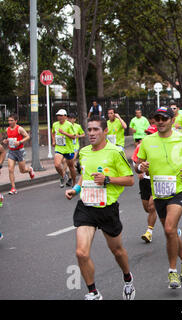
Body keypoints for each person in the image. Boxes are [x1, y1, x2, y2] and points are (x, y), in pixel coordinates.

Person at [65, 115, 135, 300]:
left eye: (96, 129)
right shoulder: (85, 151)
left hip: (107, 208)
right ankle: (93, 292)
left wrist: (108, 179)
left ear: (105, 131)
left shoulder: (115, 152)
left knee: (117, 251)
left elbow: (130, 180)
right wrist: (76, 189)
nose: (91, 133)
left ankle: (128, 278)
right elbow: (84, 176)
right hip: (86, 206)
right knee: (81, 252)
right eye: (89, 130)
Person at [135, 106, 182, 289]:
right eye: (157, 118)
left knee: (170, 228)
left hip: (179, 190)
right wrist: (141, 168)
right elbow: (137, 165)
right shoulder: (147, 141)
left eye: (164, 118)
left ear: (172, 120)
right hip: (159, 192)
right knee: (170, 232)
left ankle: (173, 272)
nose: (161, 121)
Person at [132, 119, 158, 244]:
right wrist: (140, 171)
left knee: (152, 207)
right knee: (147, 208)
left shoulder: (161, 147)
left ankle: (149, 232)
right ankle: (167, 220)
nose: (148, 136)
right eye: (147, 134)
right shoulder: (140, 147)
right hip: (144, 182)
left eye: (151, 134)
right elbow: (135, 163)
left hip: (157, 181)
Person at [3, 114, 34, 194]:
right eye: (9, 120)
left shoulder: (19, 129)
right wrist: (6, 141)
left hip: (20, 151)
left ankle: (29, 170)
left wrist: (20, 142)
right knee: (10, 169)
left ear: (16, 121)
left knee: (22, 170)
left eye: (11, 120)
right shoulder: (7, 129)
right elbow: (8, 138)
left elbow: (27, 137)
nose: (9, 122)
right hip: (11, 151)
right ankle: (13, 188)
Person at [52, 109, 77, 188]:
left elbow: (73, 137)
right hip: (59, 148)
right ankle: (63, 175)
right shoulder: (55, 124)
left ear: (65, 116)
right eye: (58, 115)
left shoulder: (69, 125)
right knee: (56, 164)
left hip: (68, 149)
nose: (59, 117)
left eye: (61, 115)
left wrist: (64, 133)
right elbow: (53, 132)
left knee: (71, 167)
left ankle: (74, 182)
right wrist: (53, 141)